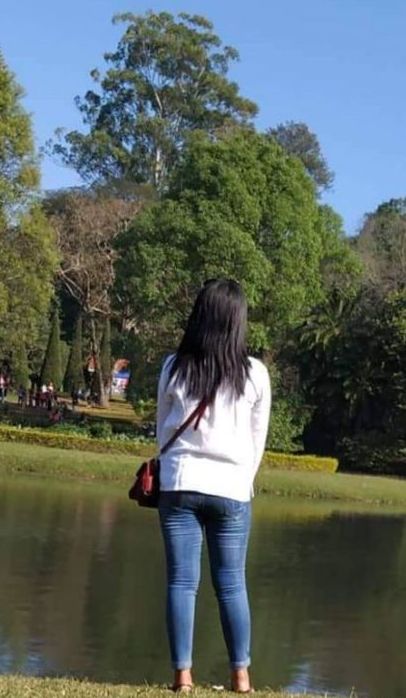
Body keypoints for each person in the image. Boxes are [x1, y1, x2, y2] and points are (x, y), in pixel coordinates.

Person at [156, 279, 270, 694]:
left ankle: (182, 679)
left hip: (180, 483)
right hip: (232, 489)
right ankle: (241, 679)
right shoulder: (255, 374)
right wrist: (241, 480)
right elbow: (257, 441)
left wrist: (174, 472)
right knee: (232, 584)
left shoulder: (173, 366)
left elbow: (161, 431)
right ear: (238, 320)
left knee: (182, 582)